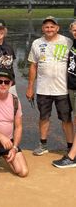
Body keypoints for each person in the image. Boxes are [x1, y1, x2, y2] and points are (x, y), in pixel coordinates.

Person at [26, 16, 74, 156]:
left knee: (66, 119)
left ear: (57, 28)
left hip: (63, 89)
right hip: (43, 89)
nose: (49, 29)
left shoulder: (67, 41)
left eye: (52, 26)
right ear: (42, 28)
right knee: (43, 117)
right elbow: (33, 66)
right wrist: (30, 87)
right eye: (46, 27)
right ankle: (43, 144)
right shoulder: (36, 43)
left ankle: (70, 146)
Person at [53, 20, 76, 168]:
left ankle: (72, 156)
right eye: (74, 30)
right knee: (71, 119)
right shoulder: (72, 45)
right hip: (71, 88)